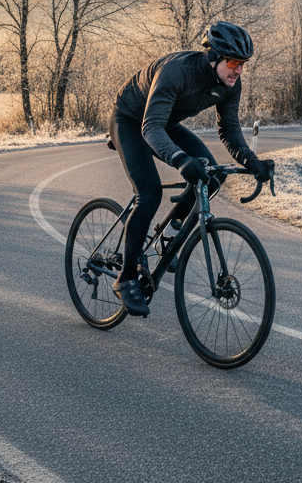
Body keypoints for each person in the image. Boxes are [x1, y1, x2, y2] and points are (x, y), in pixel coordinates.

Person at [108, 21, 271, 316]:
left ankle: (167, 232)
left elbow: (230, 131)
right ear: (214, 57)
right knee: (149, 193)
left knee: (213, 177)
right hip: (131, 120)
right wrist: (181, 159)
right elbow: (150, 126)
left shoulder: (230, 85)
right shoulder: (177, 72)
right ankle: (127, 277)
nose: (238, 70)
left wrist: (252, 161)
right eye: (233, 62)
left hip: (163, 123)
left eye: (243, 64)